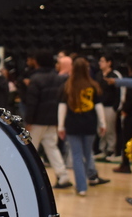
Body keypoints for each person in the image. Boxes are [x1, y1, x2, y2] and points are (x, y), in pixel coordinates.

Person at [58, 57, 106, 196]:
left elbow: (62, 107)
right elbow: (98, 106)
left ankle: (81, 186)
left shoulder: (68, 86)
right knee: (88, 154)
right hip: (89, 125)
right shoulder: (93, 86)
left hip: (73, 125)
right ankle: (90, 177)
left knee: (77, 156)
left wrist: (61, 126)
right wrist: (102, 123)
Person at [25, 51, 71, 189]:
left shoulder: (36, 79)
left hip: (37, 121)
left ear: (37, 62)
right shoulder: (58, 78)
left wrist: (28, 121)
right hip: (52, 120)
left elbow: (31, 103)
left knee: (29, 149)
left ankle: (27, 178)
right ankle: (63, 176)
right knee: (52, 148)